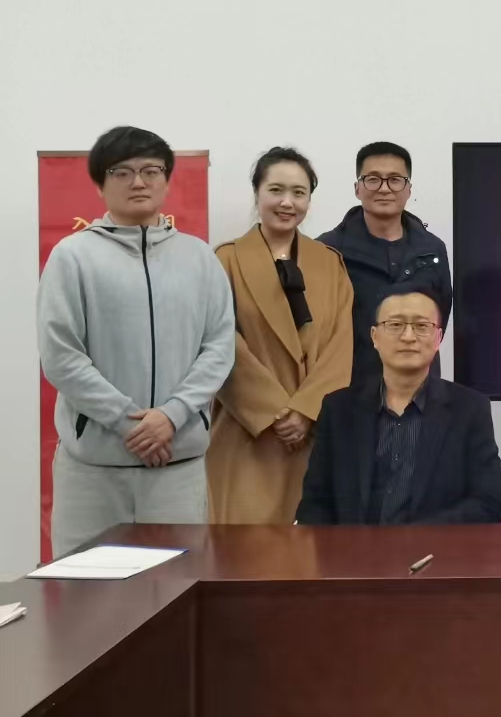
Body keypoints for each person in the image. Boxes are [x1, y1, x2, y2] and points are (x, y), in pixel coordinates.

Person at [37, 126, 235, 556]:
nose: (139, 181)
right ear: (99, 184)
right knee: (87, 592)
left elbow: (219, 349)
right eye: (122, 172)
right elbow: (61, 356)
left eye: (151, 170)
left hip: (177, 468)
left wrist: (171, 417)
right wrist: (129, 423)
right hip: (93, 474)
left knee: (176, 588)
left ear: (167, 180)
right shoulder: (72, 257)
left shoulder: (200, 258)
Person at [205, 148, 354, 524]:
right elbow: (220, 345)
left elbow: (341, 347)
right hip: (248, 432)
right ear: (257, 193)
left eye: (299, 193)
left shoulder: (330, 262)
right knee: (245, 549)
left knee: (310, 548)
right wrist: (275, 413)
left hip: (313, 433)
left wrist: (306, 410)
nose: (287, 202)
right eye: (276, 190)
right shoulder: (225, 260)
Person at [296, 287, 501, 524]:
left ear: (438, 338)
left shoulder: (469, 409)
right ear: (374, 337)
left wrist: (415, 538)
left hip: (435, 546)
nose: (408, 336)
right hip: (353, 546)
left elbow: (488, 503)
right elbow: (315, 504)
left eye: (421, 326)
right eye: (395, 325)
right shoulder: (338, 409)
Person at [318, 142, 452, 384]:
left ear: (408, 189)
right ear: (357, 188)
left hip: (421, 388)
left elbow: (439, 318)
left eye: (395, 180)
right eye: (373, 179)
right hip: (352, 387)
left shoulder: (432, 248)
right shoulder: (328, 250)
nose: (384, 188)